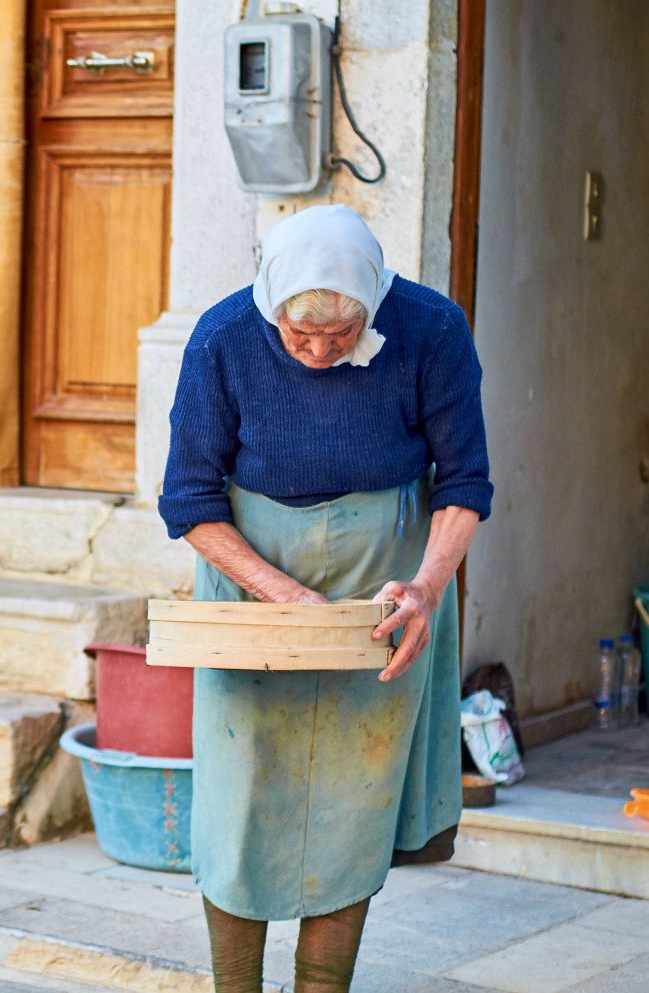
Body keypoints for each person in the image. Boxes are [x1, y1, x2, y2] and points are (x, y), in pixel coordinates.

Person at [158, 205, 491, 993]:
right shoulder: (222, 336)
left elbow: (465, 481)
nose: (316, 350)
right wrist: (283, 596)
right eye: (297, 333)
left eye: (340, 336)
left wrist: (426, 584)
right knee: (241, 799)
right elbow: (190, 500)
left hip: (386, 585)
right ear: (268, 297)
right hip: (252, 581)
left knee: (353, 802)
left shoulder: (432, 330)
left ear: (373, 302)